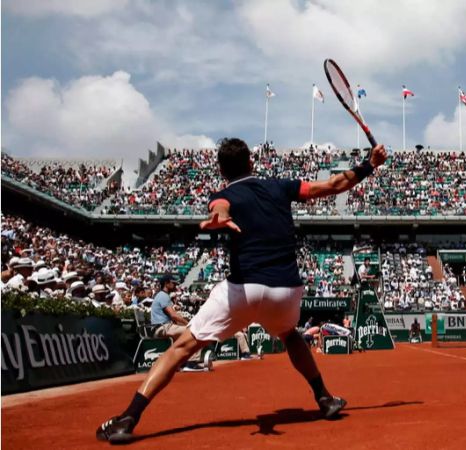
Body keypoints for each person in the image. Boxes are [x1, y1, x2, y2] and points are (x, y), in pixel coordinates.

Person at [97, 137, 387, 443]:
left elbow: (221, 205)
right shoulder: (281, 186)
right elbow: (331, 185)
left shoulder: (224, 194)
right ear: (251, 161)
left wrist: (221, 215)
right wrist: (369, 165)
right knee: (290, 336)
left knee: (181, 348)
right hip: (286, 290)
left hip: (243, 289)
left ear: (222, 170)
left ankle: (128, 417)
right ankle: (324, 398)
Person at [150, 275, 207, 372]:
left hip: (163, 327)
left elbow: (172, 317)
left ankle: (182, 362)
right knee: (196, 331)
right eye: (173, 283)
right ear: (166, 283)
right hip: (163, 328)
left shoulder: (161, 295)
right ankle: (192, 363)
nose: (176, 285)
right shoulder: (163, 296)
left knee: (185, 337)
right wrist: (188, 323)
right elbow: (174, 315)